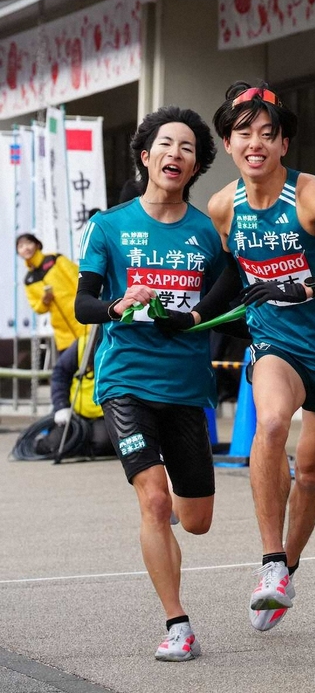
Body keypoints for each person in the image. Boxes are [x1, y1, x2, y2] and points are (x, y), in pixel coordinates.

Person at [156, 81, 315, 631]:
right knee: (273, 422)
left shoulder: (308, 193)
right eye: (244, 134)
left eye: (268, 133)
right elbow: (230, 275)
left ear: (284, 143)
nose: (255, 143)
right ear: (230, 144)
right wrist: (191, 317)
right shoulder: (221, 207)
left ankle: (289, 567)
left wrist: (309, 286)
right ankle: (268, 566)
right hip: (275, 340)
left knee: (311, 471)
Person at [74, 106, 233, 662]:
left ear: (195, 167)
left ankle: (169, 532)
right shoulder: (110, 226)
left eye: (187, 148)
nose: (175, 154)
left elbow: (225, 295)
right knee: (154, 498)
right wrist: (120, 304)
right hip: (126, 381)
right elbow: (84, 302)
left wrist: (193, 318)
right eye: (165, 144)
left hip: (186, 386)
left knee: (196, 520)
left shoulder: (207, 232)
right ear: (146, 156)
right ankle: (178, 623)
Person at [35, 330, 115, 458]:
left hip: (107, 416)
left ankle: (78, 447)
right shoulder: (82, 344)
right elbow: (60, 374)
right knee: (52, 445)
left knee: (103, 443)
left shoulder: (122, 345)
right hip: (76, 414)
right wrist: (61, 406)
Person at [16, 233, 86, 353]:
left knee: (92, 364)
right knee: (69, 369)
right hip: (63, 335)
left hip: (83, 322)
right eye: (21, 246)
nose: (25, 248)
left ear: (37, 244)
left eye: (28, 243)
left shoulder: (55, 259)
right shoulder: (28, 280)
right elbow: (37, 307)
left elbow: (78, 279)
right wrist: (44, 301)